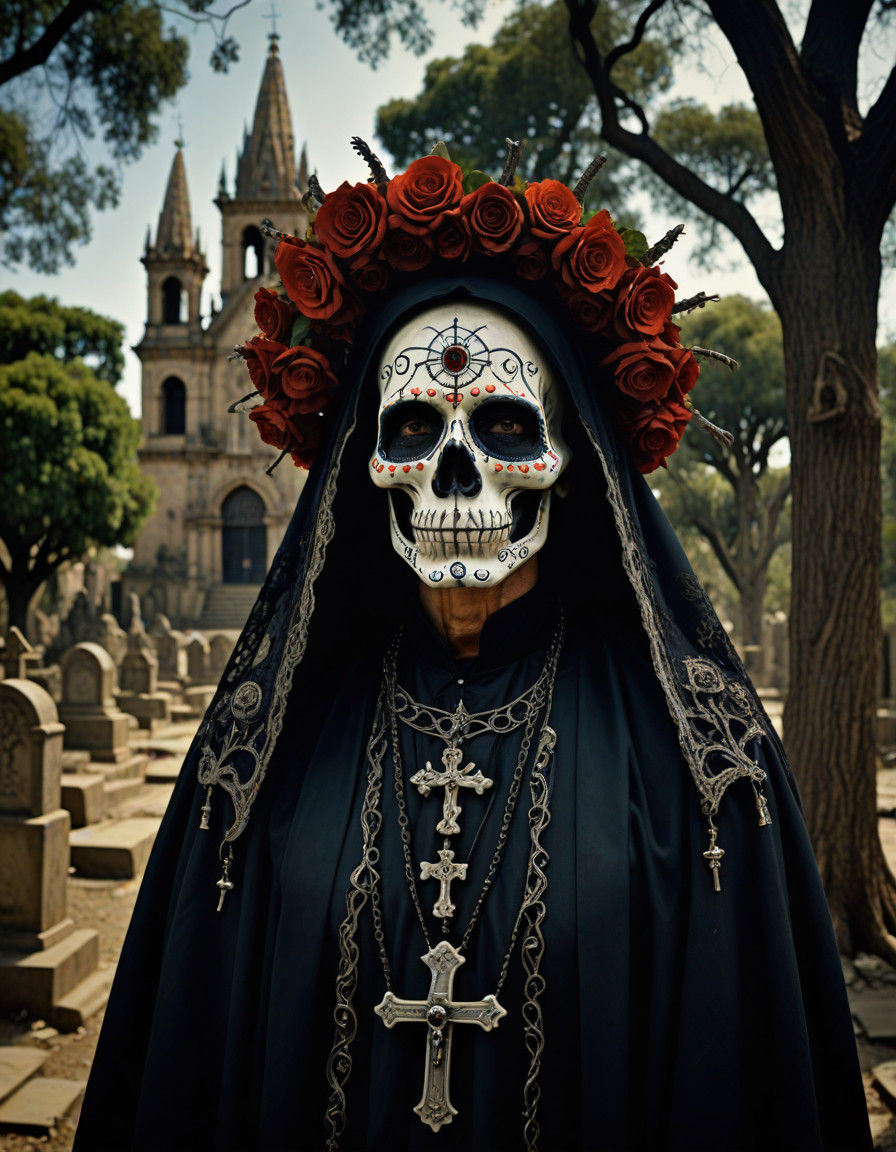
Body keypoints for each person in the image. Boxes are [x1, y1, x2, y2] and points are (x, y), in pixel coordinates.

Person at [74, 145, 871, 1152]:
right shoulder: (260, 753)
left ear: (572, 462)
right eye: (410, 431)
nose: (453, 478)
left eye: (501, 426)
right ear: (364, 470)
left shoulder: (701, 771)